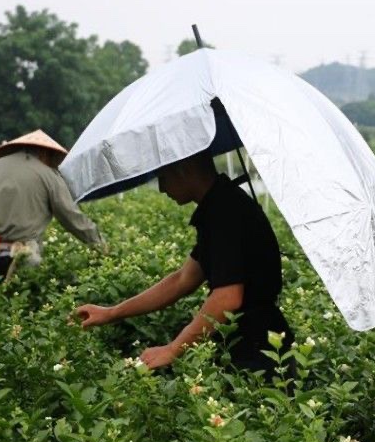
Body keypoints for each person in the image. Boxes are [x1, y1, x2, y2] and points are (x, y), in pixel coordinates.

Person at [75, 150, 295, 380]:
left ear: (184, 169)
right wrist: (111, 312)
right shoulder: (219, 206)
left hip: (261, 353)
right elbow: (182, 280)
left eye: (163, 177)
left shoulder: (226, 212)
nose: (161, 188)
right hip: (251, 344)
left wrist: (174, 349)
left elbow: (228, 297)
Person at [0, 129, 104, 280]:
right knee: (22, 300)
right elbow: (71, 217)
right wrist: (99, 244)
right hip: (22, 255)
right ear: (44, 153)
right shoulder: (49, 176)